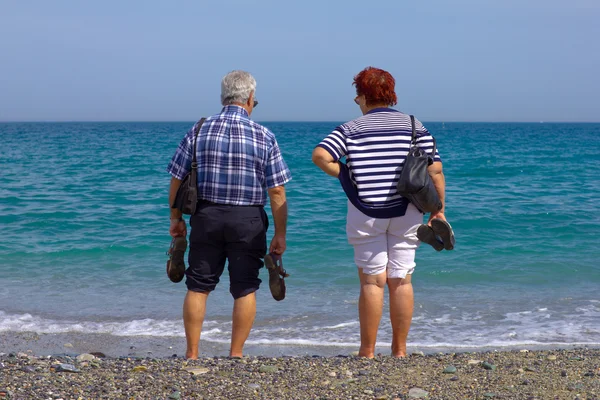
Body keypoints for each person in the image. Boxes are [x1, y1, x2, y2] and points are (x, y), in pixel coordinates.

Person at [312, 67, 449, 358]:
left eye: (357, 96)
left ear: (362, 96)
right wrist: (439, 212)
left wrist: (344, 174)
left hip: (365, 211)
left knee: (372, 281)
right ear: (391, 95)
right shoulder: (414, 125)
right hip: (407, 210)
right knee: (401, 280)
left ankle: (367, 351)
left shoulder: (350, 129)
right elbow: (434, 169)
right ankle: (399, 351)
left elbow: (320, 156)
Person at [167, 70, 292, 359]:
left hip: (206, 216)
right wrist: (280, 233)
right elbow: (277, 192)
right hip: (247, 220)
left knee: (198, 286)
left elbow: (177, 178)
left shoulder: (198, 130)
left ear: (223, 98)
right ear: (249, 99)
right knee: (245, 287)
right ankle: (235, 354)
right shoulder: (264, 136)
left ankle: (192, 353)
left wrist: (176, 220)